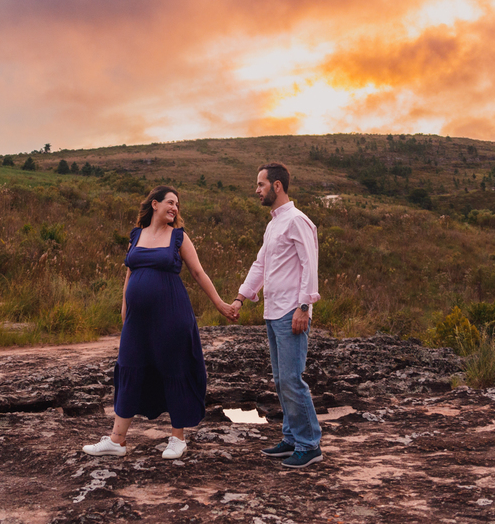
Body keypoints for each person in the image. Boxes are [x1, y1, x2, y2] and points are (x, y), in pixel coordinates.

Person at [84, 185, 239, 460]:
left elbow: (198, 272)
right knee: (129, 367)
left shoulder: (178, 237)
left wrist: (220, 304)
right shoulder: (137, 236)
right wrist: (125, 308)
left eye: (177, 204)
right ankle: (116, 441)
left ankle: (177, 439)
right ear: (154, 204)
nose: (175, 208)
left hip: (172, 315)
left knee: (174, 369)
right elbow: (130, 274)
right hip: (137, 319)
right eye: (170, 202)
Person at [232, 162, 323, 469]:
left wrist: (304, 307)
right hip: (273, 312)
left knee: (291, 380)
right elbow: (260, 265)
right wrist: (241, 297)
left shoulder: (298, 221)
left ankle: (309, 444)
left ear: (277, 186)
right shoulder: (274, 224)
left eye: (260, 184)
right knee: (281, 380)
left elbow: (310, 265)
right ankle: (291, 437)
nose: (257, 190)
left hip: (291, 312)